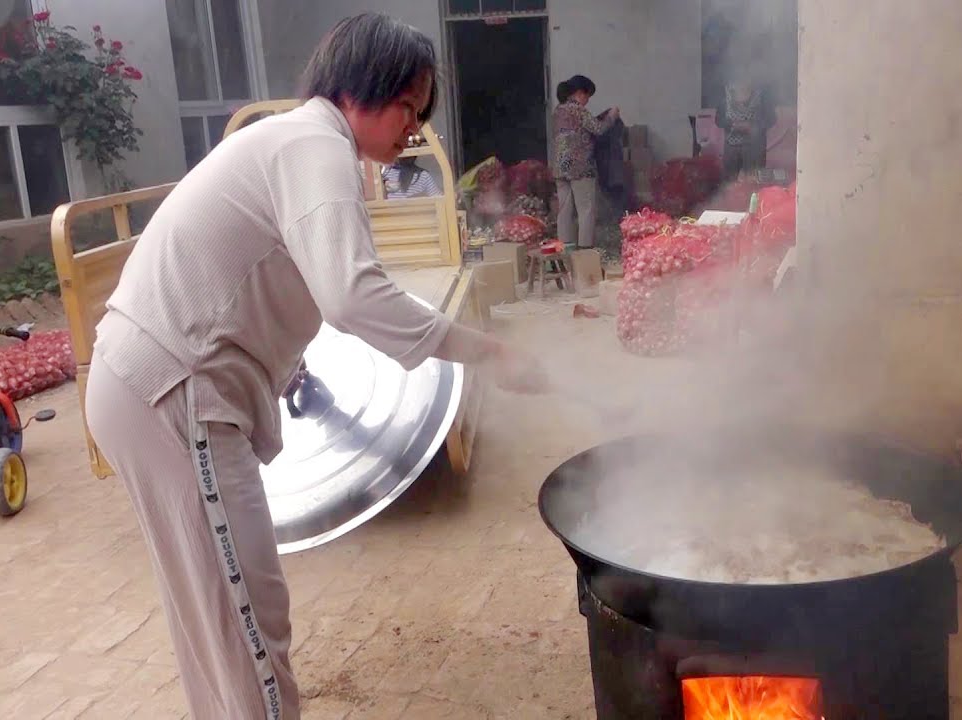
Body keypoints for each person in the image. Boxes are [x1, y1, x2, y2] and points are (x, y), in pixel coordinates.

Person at [82, 14, 547, 720]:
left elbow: (280, 277)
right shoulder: (315, 145)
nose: (414, 129)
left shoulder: (300, 142)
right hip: (176, 393)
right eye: (410, 106)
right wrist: (488, 351)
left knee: (219, 617)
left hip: (155, 385)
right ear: (365, 86)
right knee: (249, 623)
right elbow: (353, 294)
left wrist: (285, 364)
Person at [552, 74, 618, 249]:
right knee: (586, 209)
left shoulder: (558, 111)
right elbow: (599, 129)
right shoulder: (578, 110)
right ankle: (585, 252)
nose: (587, 101)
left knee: (564, 211)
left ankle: (564, 250)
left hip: (561, 168)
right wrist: (611, 116)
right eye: (587, 96)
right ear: (580, 93)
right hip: (580, 167)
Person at [716, 74, 776, 181]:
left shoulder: (762, 95)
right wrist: (733, 124)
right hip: (732, 149)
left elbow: (771, 119)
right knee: (729, 184)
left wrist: (752, 126)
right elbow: (719, 120)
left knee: (753, 183)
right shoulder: (726, 94)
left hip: (755, 149)